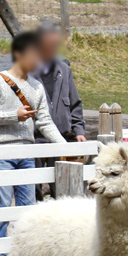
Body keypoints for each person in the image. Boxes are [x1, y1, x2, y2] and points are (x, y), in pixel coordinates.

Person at [0, 30, 67, 256]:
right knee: (3, 205)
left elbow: (45, 122)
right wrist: (13, 115)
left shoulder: (37, 87)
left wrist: (66, 148)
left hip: (27, 152)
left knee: (27, 208)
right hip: (2, 152)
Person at [30, 22, 87, 199]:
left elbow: (75, 104)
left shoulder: (64, 70)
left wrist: (78, 130)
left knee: (61, 191)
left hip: (60, 140)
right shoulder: (26, 72)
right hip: (35, 140)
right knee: (34, 191)